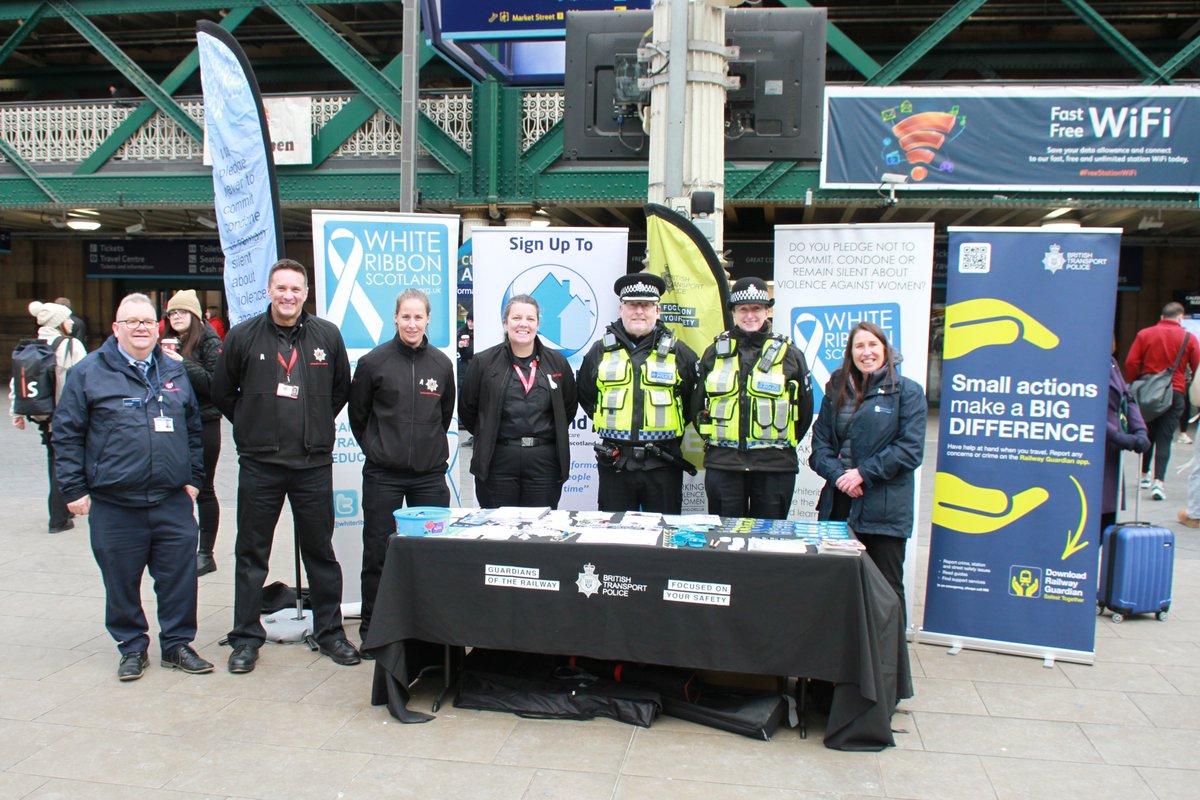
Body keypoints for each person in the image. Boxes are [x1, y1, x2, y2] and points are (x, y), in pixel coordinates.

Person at [51, 293, 213, 681]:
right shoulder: (88, 372)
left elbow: (193, 427)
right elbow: (66, 433)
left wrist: (193, 478)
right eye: (132, 322)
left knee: (179, 577)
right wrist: (73, 490)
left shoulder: (173, 371)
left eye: (147, 321)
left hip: (171, 500)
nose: (141, 328)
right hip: (114, 502)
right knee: (121, 580)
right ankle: (131, 647)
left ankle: (176, 644)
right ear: (116, 329)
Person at [212, 258, 359, 674]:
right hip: (261, 464)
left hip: (312, 463)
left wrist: (312, 424)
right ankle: (245, 638)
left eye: (295, 288)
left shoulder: (326, 336)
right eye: (281, 288)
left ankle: (330, 632)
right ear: (269, 291)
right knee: (251, 552)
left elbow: (340, 389)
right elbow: (223, 392)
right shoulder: (243, 337)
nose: (288, 295)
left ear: (306, 292)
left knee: (320, 552)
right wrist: (253, 425)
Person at [349, 289, 454, 650]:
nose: (412, 323)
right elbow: (358, 416)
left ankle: (430, 631)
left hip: (428, 475)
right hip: (384, 474)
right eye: (405, 317)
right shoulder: (373, 362)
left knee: (433, 553)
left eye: (418, 317)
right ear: (395, 318)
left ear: (428, 320)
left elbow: (444, 413)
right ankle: (372, 630)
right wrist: (378, 450)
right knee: (379, 551)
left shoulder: (442, 365)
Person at [809, 321, 927, 611]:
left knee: (884, 590)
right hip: (838, 504)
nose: (867, 352)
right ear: (851, 352)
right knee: (834, 588)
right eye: (859, 346)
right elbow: (820, 446)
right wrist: (840, 478)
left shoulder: (907, 392)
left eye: (873, 345)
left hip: (883, 510)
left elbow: (909, 450)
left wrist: (862, 474)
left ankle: (887, 656)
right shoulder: (836, 389)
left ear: (885, 349)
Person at [577, 274, 699, 514]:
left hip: (663, 462)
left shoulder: (679, 352)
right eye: (633, 304)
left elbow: (690, 401)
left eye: (646, 305)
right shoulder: (600, 350)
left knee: (664, 536)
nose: (639, 311)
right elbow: (587, 396)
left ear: (658, 309)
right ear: (622, 308)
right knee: (614, 538)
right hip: (616, 462)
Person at [695, 277, 813, 519]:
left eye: (757, 308)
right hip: (724, 464)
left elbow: (805, 413)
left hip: (774, 466)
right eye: (743, 309)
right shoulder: (714, 353)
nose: (750, 315)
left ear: (767, 311)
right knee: (723, 541)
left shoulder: (791, 355)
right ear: (734, 313)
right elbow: (696, 407)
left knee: (768, 545)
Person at [460, 294, 577, 508]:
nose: (523, 324)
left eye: (530, 319)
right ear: (505, 323)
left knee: (540, 531)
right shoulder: (483, 362)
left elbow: (568, 407)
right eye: (516, 318)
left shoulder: (557, 363)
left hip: (544, 463)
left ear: (538, 324)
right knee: (498, 531)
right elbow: (468, 410)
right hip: (498, 460)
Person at [10, 301, 87, 533]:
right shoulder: (70, 345)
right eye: (67, 318)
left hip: (43, 415)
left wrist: (16, 413)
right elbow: (85, 379)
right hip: (66, 417)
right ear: (58, 322)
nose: (71, 322)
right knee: (64, 463)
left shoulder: (31, 346)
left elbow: (18, 380)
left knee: (53, 459)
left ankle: (62, 513)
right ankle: (59, 518)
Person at [162, 289, 224, 576]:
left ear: (195, 315)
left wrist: (180, 363)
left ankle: (205, 553)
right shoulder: (169, 343)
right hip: (174, 424)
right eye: (172, 313)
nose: (176, 317)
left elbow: (215, 385)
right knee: (177, 486)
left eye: (182, 312)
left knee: (204, 487)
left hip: (205, 424)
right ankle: (180, 548)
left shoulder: (209, 340)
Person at [1124, 302, 1200, 501]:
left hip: (1148, 393)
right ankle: (1159, 483)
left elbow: (1131, 362)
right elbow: (1197, 366)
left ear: (1161, 316)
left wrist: (1137, 382)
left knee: (1148, 432)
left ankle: (1143, 476)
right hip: (1174, 392)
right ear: (1181, 317)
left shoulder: (1145, 334)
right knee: (1165, 438)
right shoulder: (1188, 338)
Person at [1103, 349, 1150, 534]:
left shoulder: (1110, 360)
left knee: (1107, 518)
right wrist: (1116, 436)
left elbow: (1127, 397)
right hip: (1090, 448)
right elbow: (1079, 406)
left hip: (1111, 450)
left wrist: (1140, 430)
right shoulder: (1078, 359)